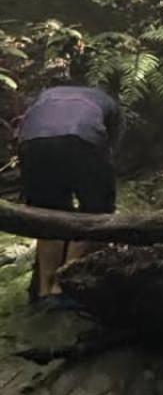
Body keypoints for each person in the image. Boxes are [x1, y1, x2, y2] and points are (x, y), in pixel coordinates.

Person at [17, 83, 122, 298]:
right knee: (96, 210)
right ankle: (66, 278)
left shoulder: (44, 95)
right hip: (83, 138)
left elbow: (25, 126)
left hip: (33, 141)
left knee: (47, 215)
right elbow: (110, 149)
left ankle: (44, 289)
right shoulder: (110, 104)